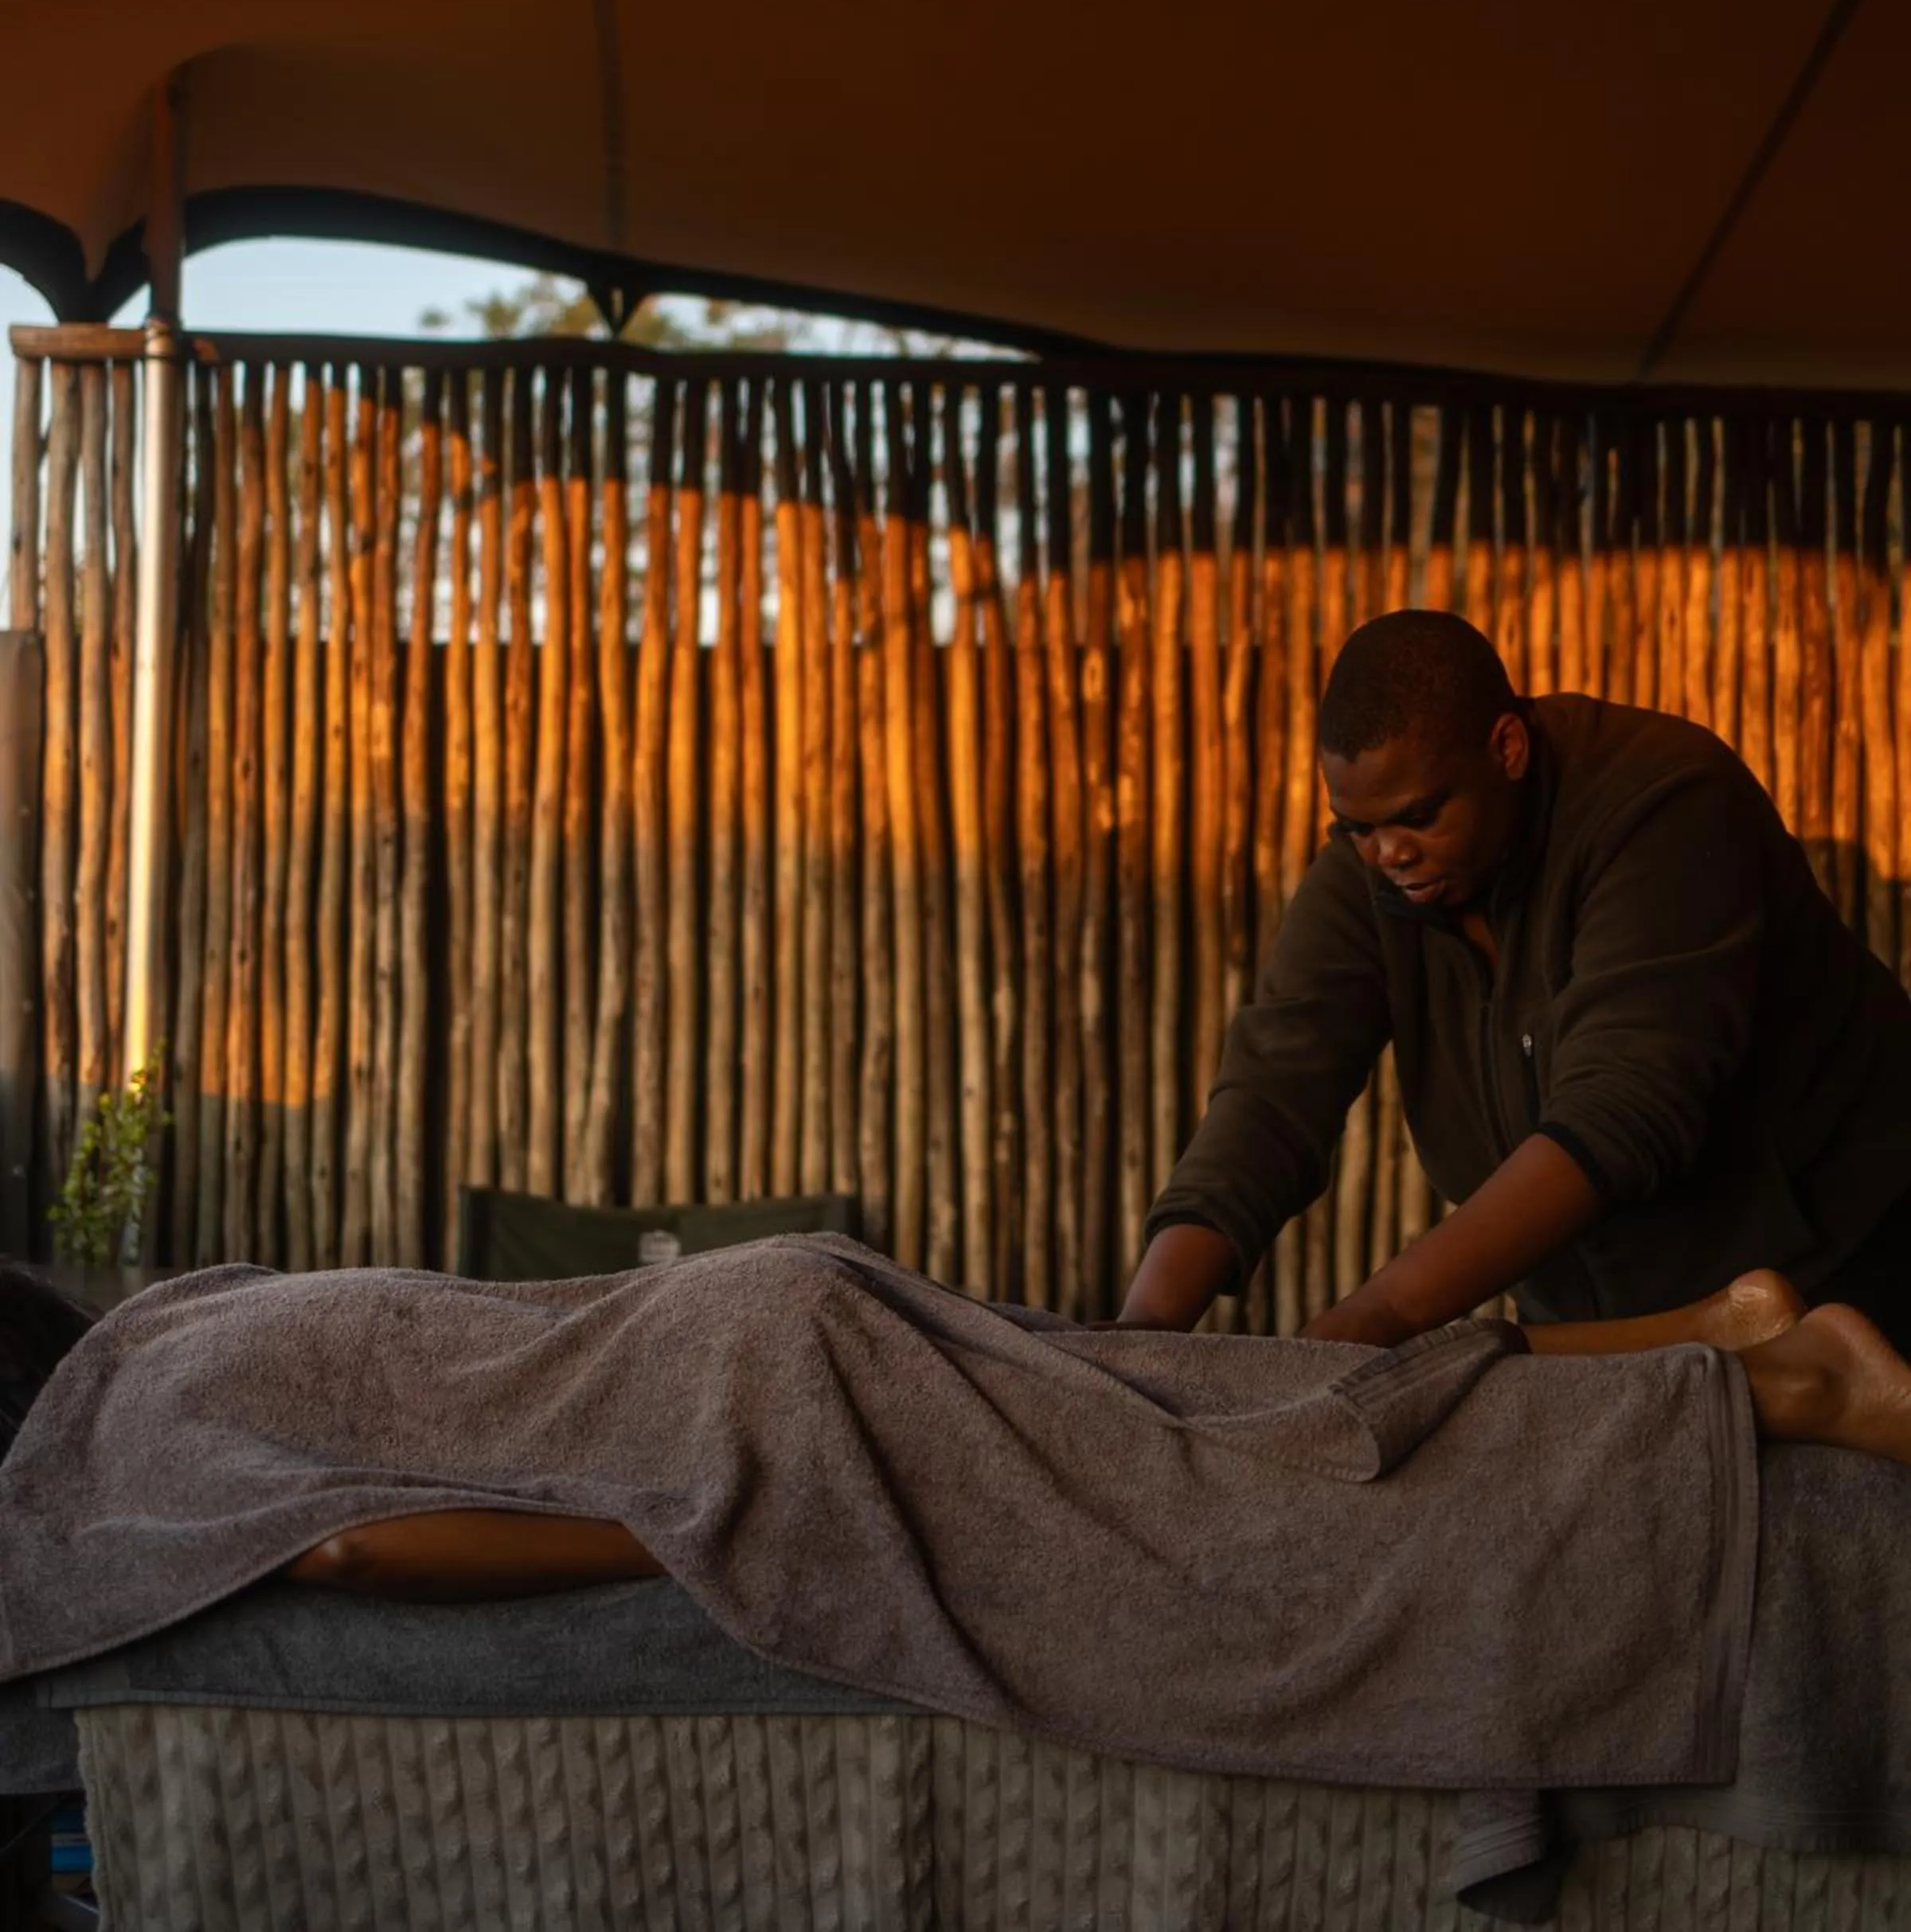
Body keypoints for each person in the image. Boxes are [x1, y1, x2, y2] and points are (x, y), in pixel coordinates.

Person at [3, 1255, 1909, 1609]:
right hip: (761, 1301)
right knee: (1206, 1399)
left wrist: (691, 1531)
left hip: (756, 1396)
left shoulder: (117, 1463)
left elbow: (340, 1551)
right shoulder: (186, 1307)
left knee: (1249, 1495)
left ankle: (1747, 1383)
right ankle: (1713, 1338)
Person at [1123, 611, 1911, 1348]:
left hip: (1853, 1270)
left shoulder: (1664, 803)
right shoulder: (1375, 875)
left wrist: (1363, 1328)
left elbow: (1624, 1109)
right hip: (1620, 1330)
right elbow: (1273, 1092)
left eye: (1419, 816)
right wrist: (1144, 1334)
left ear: (1507, 748)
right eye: (1359, 828)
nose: (1389, 853)